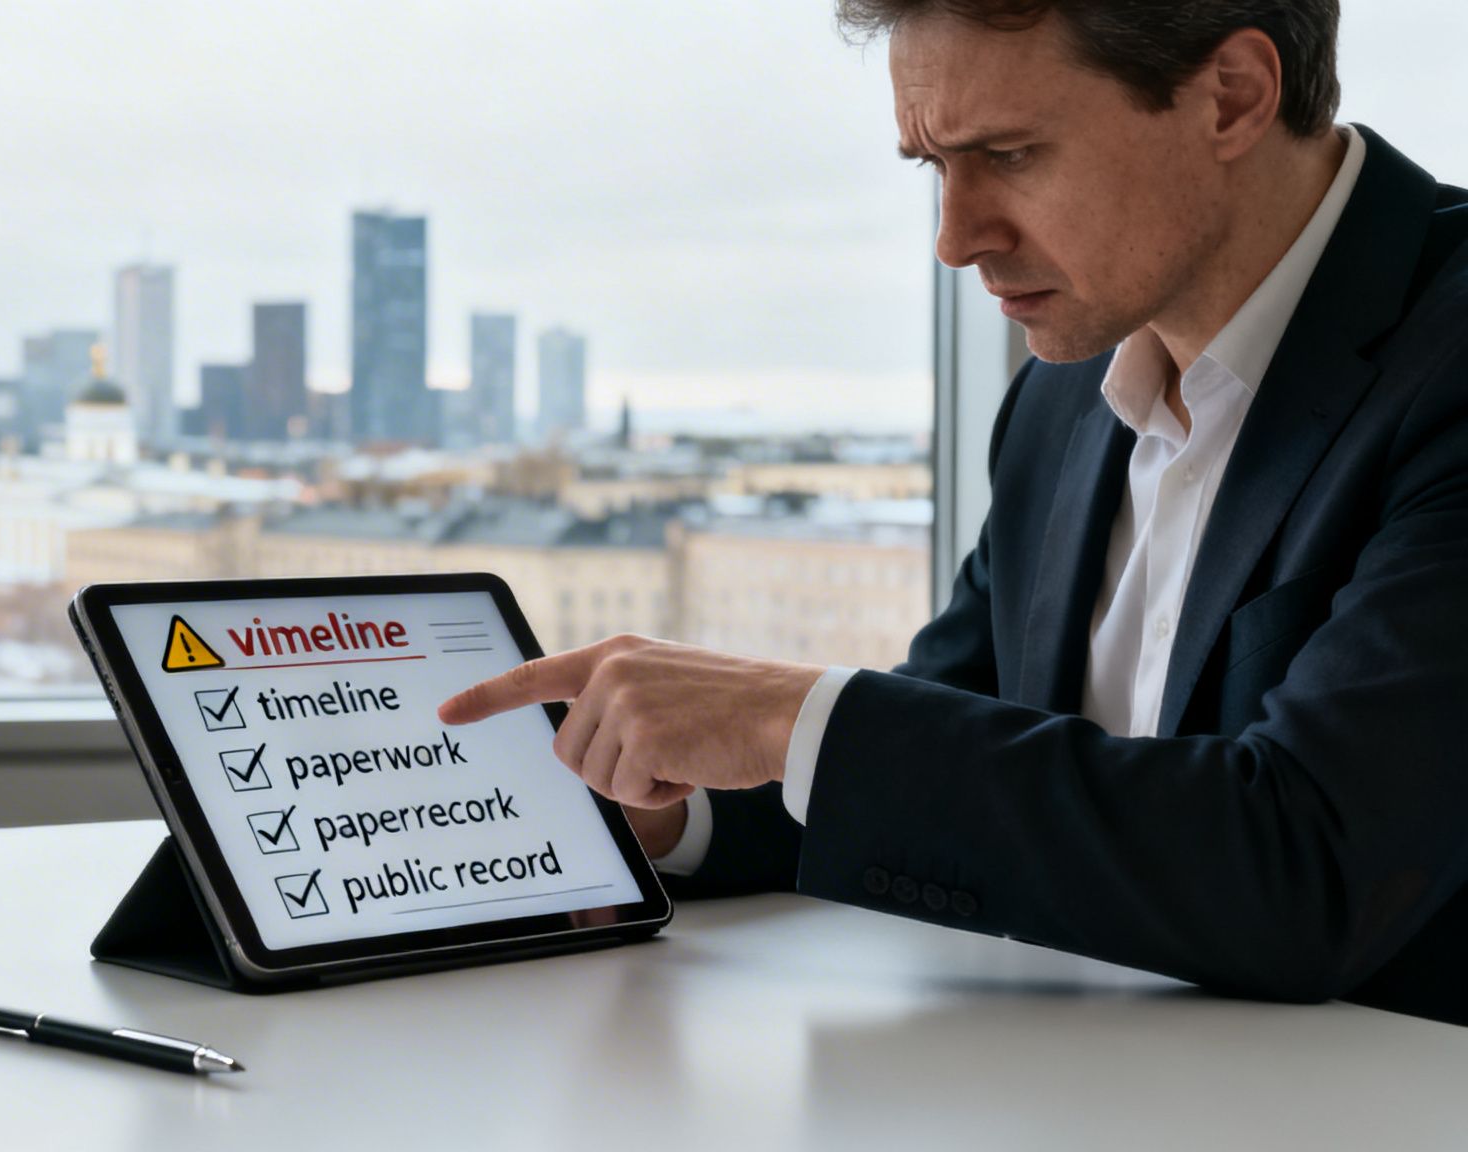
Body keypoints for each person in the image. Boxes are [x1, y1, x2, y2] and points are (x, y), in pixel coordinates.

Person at [440, 0, 1468, 1026]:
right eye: (931, 167)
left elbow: (1312, 868)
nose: (952, 239)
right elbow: (958, 763)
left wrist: (784, 714)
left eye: (1010, 154)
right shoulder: (1064, 389)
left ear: (1231, 96)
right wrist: (664, 805)